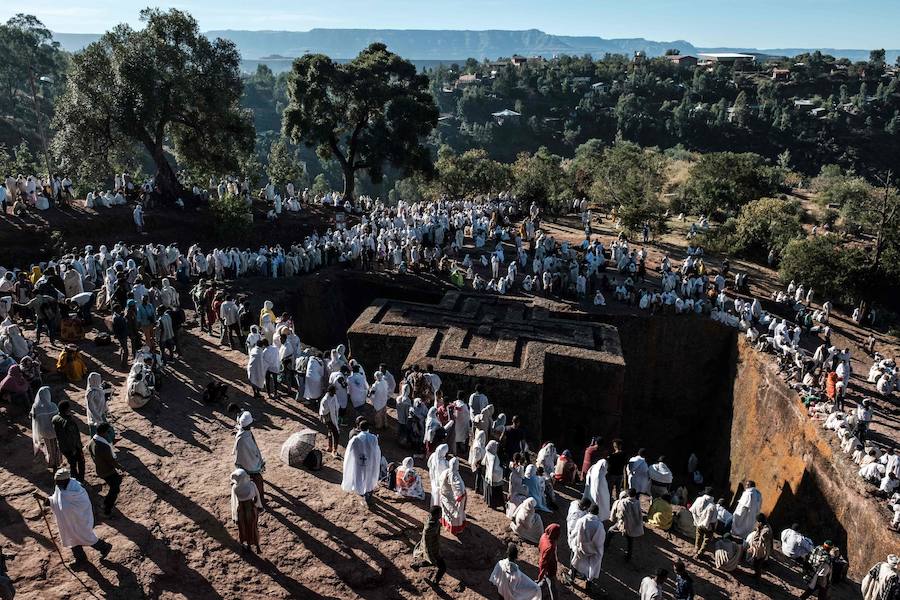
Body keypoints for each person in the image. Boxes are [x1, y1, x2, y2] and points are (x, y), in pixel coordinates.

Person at [33, 468, 112, 569]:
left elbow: (83, 505)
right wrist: (41, 497)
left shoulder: (77, 489)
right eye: (56, 481)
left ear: (66, 480)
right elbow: (55, 500)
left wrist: (68, 510)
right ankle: (81, 559)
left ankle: (104, 547)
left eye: (58, 481)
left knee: (85, 536)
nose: (56, 484)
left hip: (79, 519)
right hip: (67, 520)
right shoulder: (60, 487)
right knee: (72, 538)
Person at [341, 420, 381, 505]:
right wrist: (375, 462)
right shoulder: (373, 438)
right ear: (368, 428)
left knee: (359, 478)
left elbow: (349, 453)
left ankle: (362, 493)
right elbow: (377, 452)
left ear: (359, 427)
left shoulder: (355, 439)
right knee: (369, 478)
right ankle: (368, 494)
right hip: (370, 463)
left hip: (358, 464)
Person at [88, 423, 123, 517]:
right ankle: (106, 508)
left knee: (116, 482)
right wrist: (119, 467)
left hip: (100, 468)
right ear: (104, 432)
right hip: (107, 471)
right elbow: (111, 460)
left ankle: (106, 503)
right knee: (115, 488)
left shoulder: (91, 442)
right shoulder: (104, 446)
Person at [568, 503, 605, 590]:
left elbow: (575, 533)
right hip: (594, 550)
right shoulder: (599, 525)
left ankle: (571, 578)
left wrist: (573, 541)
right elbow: (600, 540)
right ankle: (588, 585)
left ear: (589, 511)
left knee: (576, 562)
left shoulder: (581, 520)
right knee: (592, 567)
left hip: (581, 547)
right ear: (597, 513)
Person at [233, 411, 266, 505]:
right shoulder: (245, 437)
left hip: (243, 462)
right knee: (258, 480)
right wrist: (259, 461)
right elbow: (253, 452)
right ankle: (259, 500)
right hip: (250, 464)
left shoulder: (241, 433)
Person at [230, 468, 263, 554]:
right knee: (253, 527)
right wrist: (259, 506)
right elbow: (257, 497)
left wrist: (235, 516)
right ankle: (257, 546)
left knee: (243, 528)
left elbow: (234, 502)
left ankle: (247, 545)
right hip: (252, 510)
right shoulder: (251, 485)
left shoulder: (235, 488)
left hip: (241, 511)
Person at [412, 506, 446, 586]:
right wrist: (430, 555)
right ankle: (435, 583)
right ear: (436, 515)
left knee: (430, 561)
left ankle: (416, 565)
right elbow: (427, 544)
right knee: (442, 567)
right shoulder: (431, 527)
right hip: (433, 550)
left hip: (433, 546)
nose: (442, 514)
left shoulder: (430, 519)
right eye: (440, 513)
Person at [52, 401, 85, 483]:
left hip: (62, 446)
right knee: (80, 462)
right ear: (67, 409)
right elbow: (73, 437)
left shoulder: (55, 418)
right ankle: (80, 479)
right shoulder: (68, 422)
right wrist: (75, 449)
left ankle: (75, 479)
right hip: (72, 447)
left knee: (72, 463)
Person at [607, 489, 643, 561]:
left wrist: (613, 519)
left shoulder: (622, 502)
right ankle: (629, 556)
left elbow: (620, 514)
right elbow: (640, 514)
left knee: (610, 531)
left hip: (624, 524)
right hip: (633, 525)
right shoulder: (637, 502)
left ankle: (605, 545)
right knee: (630, 541)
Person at [30, 386, 61, 470]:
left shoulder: (36, 407)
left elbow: (32, 417)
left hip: (44, 432)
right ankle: (57, 462)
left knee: (49, 447)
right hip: (54, 431)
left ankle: (51, 462)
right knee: (56, 446)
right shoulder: (53, 406)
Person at [438, 457, 467, 533]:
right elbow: (459, 487)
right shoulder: (454, 475)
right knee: (454, 514)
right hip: (452, 498)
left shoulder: (446, 472)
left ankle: (446, 525)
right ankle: (455, 529)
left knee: (447, 512)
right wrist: (460, 496)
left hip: (445, 495)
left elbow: (440, 481)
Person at [744, 514, 773, 579]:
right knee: (756, 563)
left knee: (757, 564)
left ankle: (757, 577)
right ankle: (756, 575)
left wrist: (753, 548)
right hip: (761, 548)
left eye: (757, 521)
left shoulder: (766, 531)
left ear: (760, 522)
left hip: (762, 550)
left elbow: (761, 543)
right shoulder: (764, 526)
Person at [582, 456, 611, 521]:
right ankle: (600, 516)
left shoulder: (594, 468)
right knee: (601, 507)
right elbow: (600, 489)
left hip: (592, 492)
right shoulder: (600, 476)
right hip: (599, 495)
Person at [537, 523, 560, 597]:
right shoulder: (550, 547)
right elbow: (545, 563)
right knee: (552, 586)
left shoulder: (543, 536)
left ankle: (536, 589)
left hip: (542, 561)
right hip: (549, 569)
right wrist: (540, 575)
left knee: (544, 581)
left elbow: (539, 548)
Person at [319, 385, 340, 456]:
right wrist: (330, 411)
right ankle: (334, 449)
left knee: (330, 432)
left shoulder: (334, 396)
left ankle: (330, 447)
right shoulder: (325, 400)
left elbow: (337, 405)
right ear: (329, 391)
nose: (335, 392)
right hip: (328, 419)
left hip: (334, 417)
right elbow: (324, 411)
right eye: (333, 391)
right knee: (335, 433)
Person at [427, 443, 450, 508]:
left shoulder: (433, 455)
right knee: (440, 494)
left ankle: (434, 504)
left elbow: (428, 464)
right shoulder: (442, 462)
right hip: (440, 481)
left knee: (434, 491)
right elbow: (445, 472)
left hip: (433, 478)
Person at [85, 372, 108, 436]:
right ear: (95, 381)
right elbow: (91, 408)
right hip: (95, 416)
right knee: (95, 434)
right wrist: (98, 418)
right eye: (98, 379)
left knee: (106, 431)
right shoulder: (91, 393)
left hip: (101, 413)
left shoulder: (99, 389)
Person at [484, 440, 505, 509]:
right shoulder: (495, 457)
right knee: (497, 491)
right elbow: (496, 467)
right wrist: (502, 469)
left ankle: (489, 502)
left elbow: (483, 462)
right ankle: (496, 503)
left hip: (488, 475)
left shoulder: (487, 453)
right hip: (496, 476)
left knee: (490, 490)